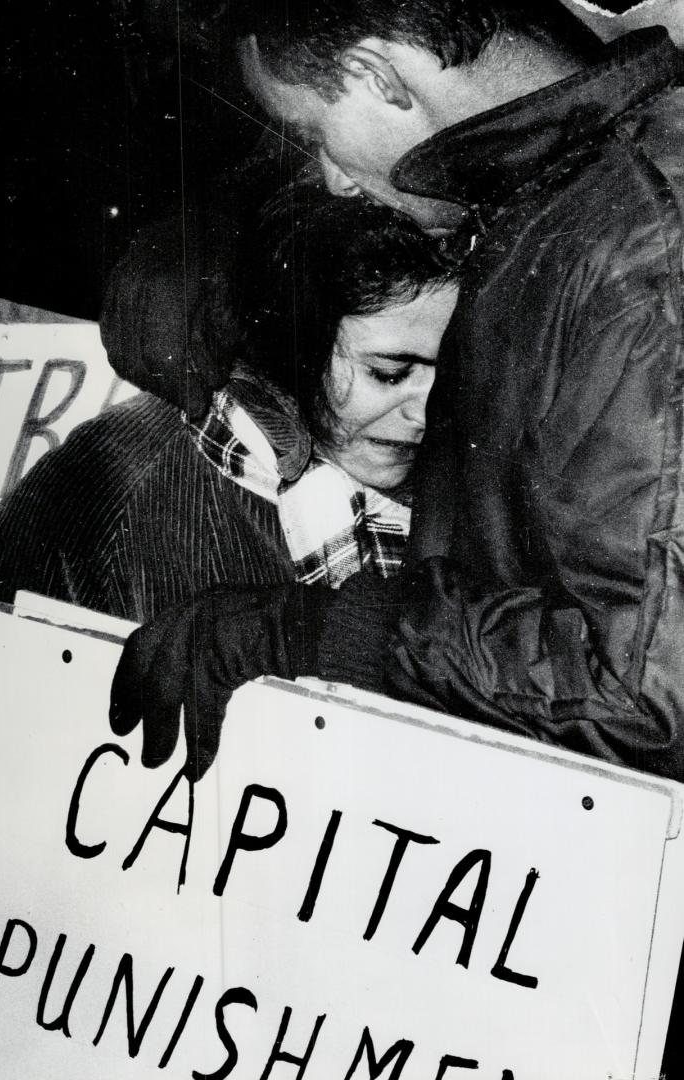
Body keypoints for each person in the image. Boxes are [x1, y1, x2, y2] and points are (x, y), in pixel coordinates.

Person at [111, 1, 684, 784]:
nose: (332, 180)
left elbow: (641, 695)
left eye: (314, 135)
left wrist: (316, 631)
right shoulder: (565, 184)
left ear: (375, 75)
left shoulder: (638, 244)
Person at [0, 196, 458, 871]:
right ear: (293, 346)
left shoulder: (396, 489)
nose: (425, 411)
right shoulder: (151, 492)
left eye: (448, 373)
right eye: (388, 373)